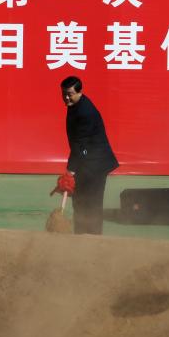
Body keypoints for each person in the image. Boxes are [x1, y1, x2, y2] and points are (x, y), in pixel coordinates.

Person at [61, 76, 118, 234]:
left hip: (96, 164)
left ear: (80, 92)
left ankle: (94, 239)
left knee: (92, 204)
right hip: (86, 161)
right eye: (64, 94)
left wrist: (70, 171)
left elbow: (81, 146)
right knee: (79, 201)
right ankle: (80, 235)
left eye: (70, 94)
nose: (66, 97)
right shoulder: (74, 106)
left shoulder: (85, 112)